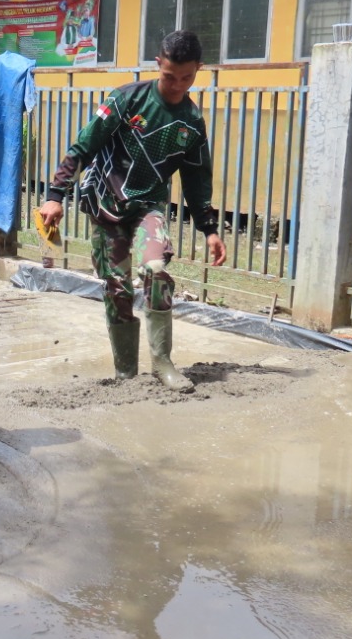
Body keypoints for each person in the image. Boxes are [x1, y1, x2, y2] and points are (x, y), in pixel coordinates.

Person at [37, 29, 227, 391]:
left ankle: (163, 362)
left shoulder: (191, 122)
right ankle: (126, 371)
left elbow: (197, 179)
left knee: (156, 270)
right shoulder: (127, 99)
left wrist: (210, 229)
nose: (177, 85)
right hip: (105, 204)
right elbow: (83, 146)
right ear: (158, 64)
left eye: (187, 78)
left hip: (148, 207)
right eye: (170, 76)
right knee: (117, 287)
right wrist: (55, 195)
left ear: (198, 70)